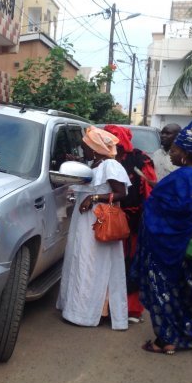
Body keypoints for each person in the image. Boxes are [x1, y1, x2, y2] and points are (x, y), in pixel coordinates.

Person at [132, 120, 192, 354]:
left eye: (176, 151)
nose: (172, 154)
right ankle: (189, 335)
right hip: (189, 244)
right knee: (184, 289)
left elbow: (178, 210)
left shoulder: (187, 175)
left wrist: (154, 202)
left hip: (172, 246)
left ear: (186, 153)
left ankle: (166, 339)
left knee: (165, 289)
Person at [57, 126, 131, 330]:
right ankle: (78, 308)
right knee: (81, 260)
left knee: (94, 263)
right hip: (85, 221)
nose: (84, 152)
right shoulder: (96, 164)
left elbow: (121, 193)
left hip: (98, 220)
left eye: (85, 148)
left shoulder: (110, 165)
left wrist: (94, 197)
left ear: (96, 148)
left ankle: (89, 312)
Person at [104, 124, 157, 324]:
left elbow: (149, 191)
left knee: (130, 263)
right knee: (106, 262)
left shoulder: (140, 159)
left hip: (133, 220)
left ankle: (130, 308)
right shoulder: (102, 158)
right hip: (106, 218)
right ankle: (105, 306)